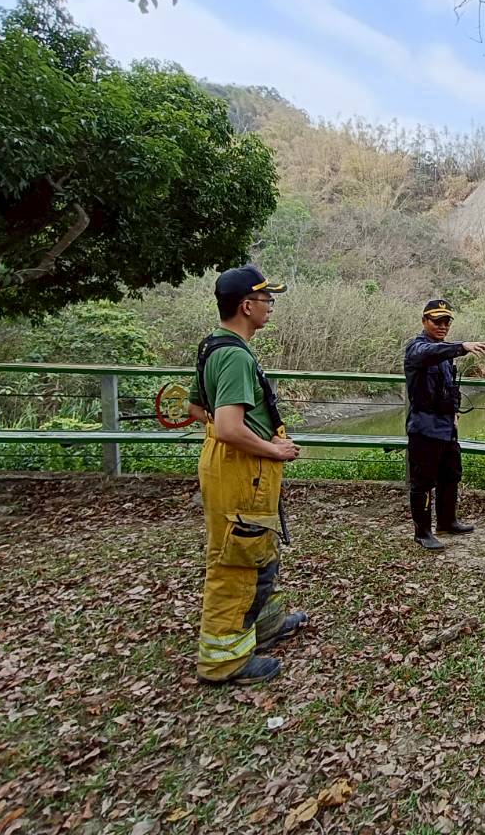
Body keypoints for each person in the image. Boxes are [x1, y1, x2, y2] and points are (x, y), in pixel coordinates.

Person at [188, 265, 306, 686]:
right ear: (246, 305)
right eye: (266, 300)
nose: (270, 307)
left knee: (258, 547)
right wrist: (272, 448)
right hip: (242, 471)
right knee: (236, 557)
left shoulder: (212, 346)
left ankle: (267, 623)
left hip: (235, 467)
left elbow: (197, 410)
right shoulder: (235, 356)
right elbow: (226, 426)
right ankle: (224, 661)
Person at [404, 299, 485, 550]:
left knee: (451, 474)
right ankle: (422, 532)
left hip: (446, 425)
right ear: (424, 321)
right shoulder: (417, 348)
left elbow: (448, 388)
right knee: (423, 481)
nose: (442, 326)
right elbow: (427, 354)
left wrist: (454, 413)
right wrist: (462, 347)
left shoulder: (444, 352)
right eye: (437, 321)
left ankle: (447, 521)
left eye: (446, 322)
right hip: (424, 426)